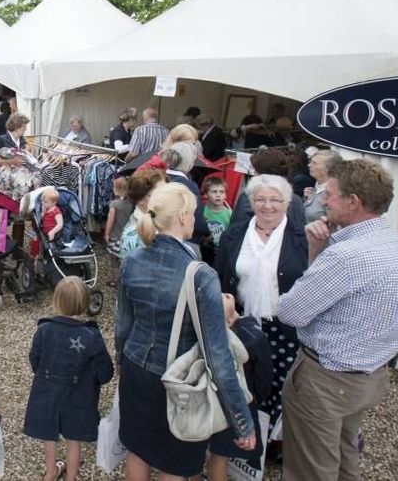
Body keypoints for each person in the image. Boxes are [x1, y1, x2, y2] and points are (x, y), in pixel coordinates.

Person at [277, 160, 398, 481]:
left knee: (311, 470)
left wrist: (317, 252)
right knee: (345, 457)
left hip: (327, 380)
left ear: (353, 201)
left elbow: (290, 311)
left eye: (330, 194)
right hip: (369, 376)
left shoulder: (347, 256)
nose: (324, 200)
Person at [115, 182, 255, 481]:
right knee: (175, 463)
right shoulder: (201, 274)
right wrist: (241, 419)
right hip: (179, 380)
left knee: (138, 450)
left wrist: (122, 364)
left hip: (136, 368)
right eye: (192, 213)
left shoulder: (133, 261)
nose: (195, 219)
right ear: (181, 218)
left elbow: (123, 327)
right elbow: (218, 356)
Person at [214, 174, 307, 438]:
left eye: (275, 200)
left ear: (287, 203)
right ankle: (243, 433)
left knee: (281, 383)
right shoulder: (235, 233)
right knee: (243, 379)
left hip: (284, 328)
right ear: (251, 202)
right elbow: (220, 276)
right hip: (242, 322)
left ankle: (272, 440)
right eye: (260, 199)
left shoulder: (301, 237)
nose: (267, 206)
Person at [24, 276, 114, 481]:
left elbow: (35, 359)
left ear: (57, 301)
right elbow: (105, 372)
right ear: (84, 303)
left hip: (48, 391)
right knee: (74, 439)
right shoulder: (91, 336)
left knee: (49, 433)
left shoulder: (44, 330)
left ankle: (50, 471)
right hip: (79, 397)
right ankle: (71, 476)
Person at [206, 294, 272, 481]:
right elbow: (264, 376)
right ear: (225, 321)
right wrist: (256, 399)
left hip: (213, 401)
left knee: (205, 451)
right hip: (239, 403)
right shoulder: (254, 338)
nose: (220, 294)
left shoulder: (207, 336)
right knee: (220, 455)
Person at [160, 144, 209, 243]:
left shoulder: (158, 178)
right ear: (190, 164)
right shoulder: (189, 185)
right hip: (184, 241)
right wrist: (207, 232)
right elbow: (198, 223)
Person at [117, 169, 166, 265]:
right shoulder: (134, 234)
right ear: (141, 199)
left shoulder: (158, 222)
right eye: (160, 194)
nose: (166, 198)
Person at [303, 149, 343, 223]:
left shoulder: (335, 194)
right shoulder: (315, 188)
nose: (309, 165)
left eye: (314, 163)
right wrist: (306, 199)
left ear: (328, 168)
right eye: (310, 162)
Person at [104, 175, 132, 263]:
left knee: (114, 259)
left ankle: (115, 276)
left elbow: (110, 220)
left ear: (116, 189)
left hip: (114, 236)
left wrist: (106, 234)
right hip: (127, 237)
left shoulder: (114, 204)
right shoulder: (132, 204)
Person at [201, 175, 232, 252]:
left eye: (221, 192)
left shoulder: (230, 214)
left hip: (222, 251)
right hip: (205, 250)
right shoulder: (202, 212)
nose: (218, 195)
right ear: (205, 194)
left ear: (225, 195)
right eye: (214, 191)